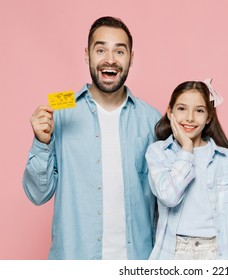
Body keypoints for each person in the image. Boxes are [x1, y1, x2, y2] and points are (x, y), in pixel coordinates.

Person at [22, 16, 161, 259]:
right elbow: (37, 194)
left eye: (119, 51)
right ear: (87, 55)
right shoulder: (60, 113)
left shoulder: (152, 120)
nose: (110, 59)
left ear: (131, 58)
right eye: (101, 50)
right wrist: (41, 142)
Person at [146, 80, 228, 260]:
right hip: (175, 252)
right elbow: (169, 196)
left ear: (209, 117)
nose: (190, 118)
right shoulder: (158, 153)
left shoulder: (227, 159)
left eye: (199, 111)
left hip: (218, 251)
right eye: (181, 109)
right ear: (170, 113)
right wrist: (187, 149)